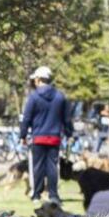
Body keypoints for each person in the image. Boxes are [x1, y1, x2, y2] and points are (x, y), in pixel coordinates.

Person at [19, 66, 71, 204]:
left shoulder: (34, 97)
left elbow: (27, 118)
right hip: (54, 137)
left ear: (38, 79)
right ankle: (53, 195)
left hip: (38, 137)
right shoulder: (60, 97)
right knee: (52, 166)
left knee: (38, 166)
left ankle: (36, 195)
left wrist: (23, 135)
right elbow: (66, 119)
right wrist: (69, 133)